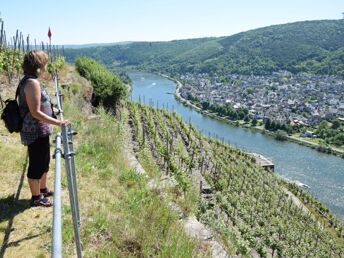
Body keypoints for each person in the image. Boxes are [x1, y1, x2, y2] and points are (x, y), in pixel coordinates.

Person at [18, 50, 69, 207]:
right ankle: (36, 197)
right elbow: (35, 112)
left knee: (44, 160)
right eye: (44, 63)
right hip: (35, 131)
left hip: (41, 129)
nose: (46, 66)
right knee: (36, 163)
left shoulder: (31, 80)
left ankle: (43, 188)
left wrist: (54, 112)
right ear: (38, 65)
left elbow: (42, 106)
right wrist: (58, 123)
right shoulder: (32, 83)